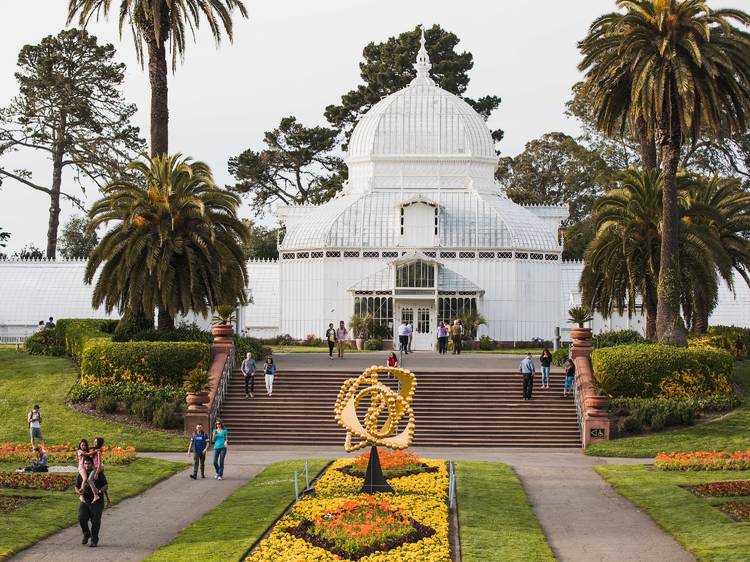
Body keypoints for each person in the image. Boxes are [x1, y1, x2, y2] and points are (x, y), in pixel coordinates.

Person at [76, 456, 107, 547]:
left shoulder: (98, 474)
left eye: (89, 463)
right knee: (81, 517)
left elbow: (106, 485)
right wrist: (78, 491)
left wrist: (100, 491)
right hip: (85, 501)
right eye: (85, 463)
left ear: (92, 464)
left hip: (97, 502)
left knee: (95, 521)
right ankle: (86, 534)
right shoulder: (82, 474)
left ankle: (94, 540)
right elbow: (76, 486)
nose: (87, 465)